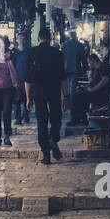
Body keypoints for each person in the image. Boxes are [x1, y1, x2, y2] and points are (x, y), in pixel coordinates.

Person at [27, 27, 69, 164]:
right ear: (50, 38)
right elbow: (63, 77)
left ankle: (46, 155)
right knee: (56, 116)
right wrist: (66, 96)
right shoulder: (57, 53)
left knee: (42, 121)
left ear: (39, 38)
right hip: (54, 91)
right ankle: (53, 138)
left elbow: (27, 79)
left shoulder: (32, 52)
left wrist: (28, 97)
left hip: (38, 92)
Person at [72, 52, 110, 123]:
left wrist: (93, 89)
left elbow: (105, 80)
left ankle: (76, 119)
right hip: (94, 92)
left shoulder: (103, 67)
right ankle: (81, 117)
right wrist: (90, 74)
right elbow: (90, 82)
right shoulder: (95, 70)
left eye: (89, 63)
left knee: (77, 96)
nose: (88, 64)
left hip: (100, 94)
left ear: (93, 61)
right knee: (78, 92)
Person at [61, 29, 83, 122]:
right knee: (72, 94)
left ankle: (67, 111)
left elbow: (62, 58)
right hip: (75, 71)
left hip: (65, 71)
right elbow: (83, 58)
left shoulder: (65, 45)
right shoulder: (79, 45)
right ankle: (73, 116)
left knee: (66, 93)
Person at [11, 35, 30, 124]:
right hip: (16, 78)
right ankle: (18, 118)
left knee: (27, 97)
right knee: (16, 99)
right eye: (20, 38)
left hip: (26, 78)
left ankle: (26, 115)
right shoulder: (14, 52)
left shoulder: (28, 52)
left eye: (23, 38)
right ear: (17, 40)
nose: (21, 39)